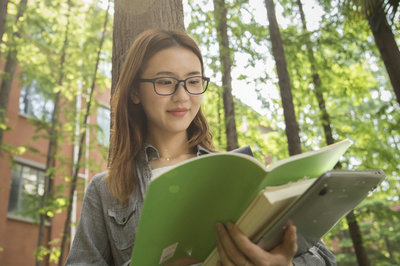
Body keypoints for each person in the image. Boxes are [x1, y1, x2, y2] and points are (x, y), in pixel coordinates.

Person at [66, 29, 336, 266]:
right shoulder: (106, 189)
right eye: (165, 81)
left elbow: (323, 258)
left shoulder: (239, 172)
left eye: (193, 81)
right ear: (135, 91)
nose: (182, 96)